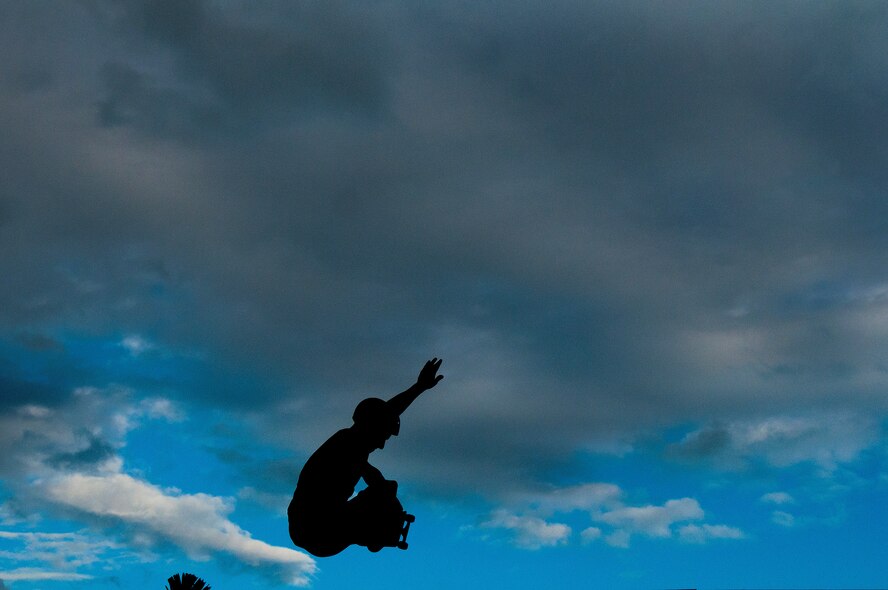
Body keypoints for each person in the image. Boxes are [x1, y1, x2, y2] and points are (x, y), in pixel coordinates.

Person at [288, 358, 444, 557]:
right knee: (385, 490)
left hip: (313, 527)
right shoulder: (346, 444)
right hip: (315, 529)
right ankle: (375, 531)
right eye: (383, 437)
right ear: (371, 428)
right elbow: (375, 478)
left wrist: (419, 387)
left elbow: (387, 411)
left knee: (385, 491)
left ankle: (373, 530)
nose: (381, 445)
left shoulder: (353, 439)